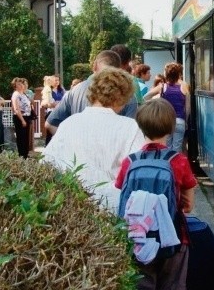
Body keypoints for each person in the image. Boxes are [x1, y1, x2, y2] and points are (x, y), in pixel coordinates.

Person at [115, 98, 198, 290]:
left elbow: (122, 193)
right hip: (173, 237)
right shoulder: (178, 161)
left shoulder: (130, 161)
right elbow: (188, 205)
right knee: (172, 289)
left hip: (138, 238)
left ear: (141, 126)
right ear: (171, 128)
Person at [42, 67, 145, 213]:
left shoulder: (69, 123)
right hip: (112, 207)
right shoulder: (130, 127)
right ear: (122, 97)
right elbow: (138, 171)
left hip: (72, 205)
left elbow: (47, 163)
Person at [45, 50, 137, 135]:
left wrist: (70, 141)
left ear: (94, 66)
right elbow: (130, 132)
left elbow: (50, 124)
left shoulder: (75, 90)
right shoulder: (127, 95)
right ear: (119, 68)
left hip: (78, 150)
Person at [144, 62, 190, 153]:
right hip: (180, 121)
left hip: (165, 121)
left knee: (166, 148)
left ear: (166, 74)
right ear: (178, 73)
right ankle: (176, 166)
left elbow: (146, 97)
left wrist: (156, 104)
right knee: (177, 149)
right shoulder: (184, 86)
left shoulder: (162, 87)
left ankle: (166, 166)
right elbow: (188, 108)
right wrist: (186, 120)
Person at [10, 77, 32, 158]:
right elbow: (16, 109)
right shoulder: (16, 94)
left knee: (26, 137)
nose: (21, 85)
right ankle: (22, 155)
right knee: (21, 137)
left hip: (27, 117)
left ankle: (25, 154)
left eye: (21, 84)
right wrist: (22, 120)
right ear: (15, 86)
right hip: (20, 118)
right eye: (18, 84)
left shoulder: (23, 94)